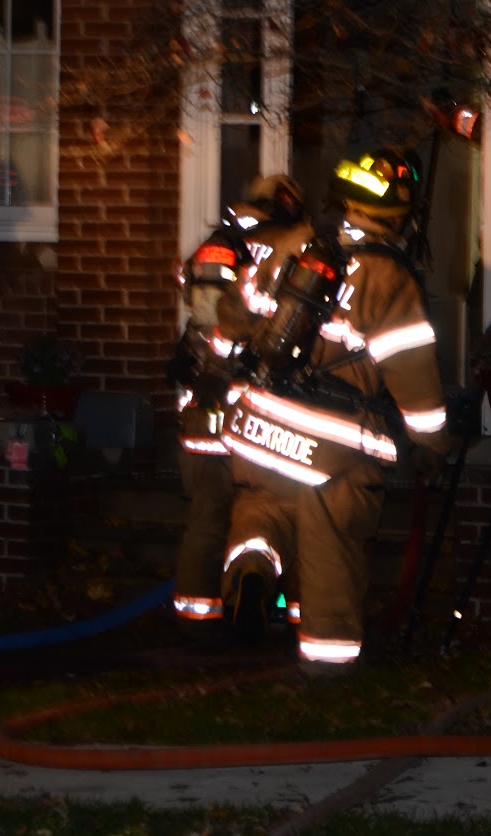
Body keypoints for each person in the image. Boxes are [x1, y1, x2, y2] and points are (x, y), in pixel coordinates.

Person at [218, 149, 452, 676]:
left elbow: (232, 317)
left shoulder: (290, 245)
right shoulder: (389, 279)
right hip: (331, 448)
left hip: (258, 426)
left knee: (261, 513)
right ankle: (328, 665)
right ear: (400, 217)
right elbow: (414, 378)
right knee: (330, 548)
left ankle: (252, 571)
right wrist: (433, 444)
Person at [168, 174, 307, 643]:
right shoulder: (291, 252)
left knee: (207, 516)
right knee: (274, 511)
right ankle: (291, 611)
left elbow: (201, 319)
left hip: (202, 409)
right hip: (253, 416)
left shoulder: (217, 247)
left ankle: (198, 619)